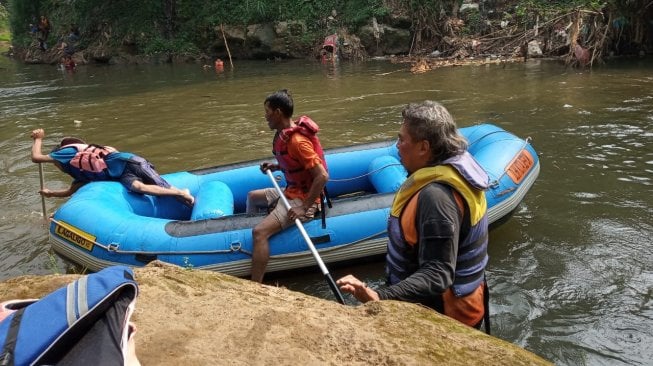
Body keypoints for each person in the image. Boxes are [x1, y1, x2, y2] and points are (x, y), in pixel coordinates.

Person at [336, 101, 491, 331]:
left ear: (423, 147)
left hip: (445, 316)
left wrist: (379, 296)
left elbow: (438, 274)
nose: (397, 146)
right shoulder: (453, 174)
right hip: (460, 303)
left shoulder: (437, 198)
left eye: (402, 139)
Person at [246, 89, 329, 282]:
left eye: (267, 111)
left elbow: (322, 176)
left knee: (259, 233)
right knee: (252, 196)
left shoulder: (298, 142)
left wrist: (304, 207)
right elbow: (295, 164)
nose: (265, 116)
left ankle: (255, 286)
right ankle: (247, 226)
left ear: (278, 112)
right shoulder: (284, 135)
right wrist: (276, 165)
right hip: (290, 190)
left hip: (303, 199)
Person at [30, 128, 194, 206]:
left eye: (55, 162)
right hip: (121, 174)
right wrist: (50, 194)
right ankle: (180, 193)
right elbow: (69, 192)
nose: (56, 165)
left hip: (130, 162)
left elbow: (36, 158)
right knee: (139, 187)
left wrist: (39, 139)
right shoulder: (81, 174)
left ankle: (183, 194)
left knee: (159, 184)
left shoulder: (65, 153)